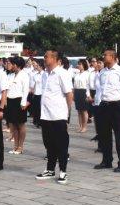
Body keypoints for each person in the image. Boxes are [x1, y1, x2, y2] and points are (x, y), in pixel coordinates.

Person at [35, 50, 73, 183]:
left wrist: (67, 114)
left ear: (55, 59)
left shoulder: (62, 73)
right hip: (46, 115)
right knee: (48, 143)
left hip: (58, 115)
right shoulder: (45, 74)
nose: (44, 59)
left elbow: (69, 94)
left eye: (46, 57)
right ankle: (50, 169)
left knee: (61, 144)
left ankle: (63, 171)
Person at [95, 49, 120, 173]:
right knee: (104, 135)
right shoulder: (102, 72)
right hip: (104, 105)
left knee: (119, 135)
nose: (103, 56)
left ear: (112, 57)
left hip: (116, 105)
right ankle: (107, 160)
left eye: (105, 55)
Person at [5, 56, 30, 155]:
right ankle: (15, 145)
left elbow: (25, 90)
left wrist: (24, 102)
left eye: (12, 64)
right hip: (10, 100)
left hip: (19, 101)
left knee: (20, 124)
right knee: (13, 124)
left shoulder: (24, 75)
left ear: (17, 65)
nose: (11, 65)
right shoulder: (10, 75)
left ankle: (20, 146)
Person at [72, 59, 91, 133]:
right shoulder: (77, 74)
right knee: (79, 111)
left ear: (84, 65)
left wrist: (88, 95)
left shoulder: (87, 74)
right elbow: (74, 85)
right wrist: (73, 94)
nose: (78, 65)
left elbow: (88, 85)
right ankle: (80, 126)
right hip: (77, 92)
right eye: (78, 64)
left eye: (80, 64)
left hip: (84, 92)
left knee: (84, 110)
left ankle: (84, 127)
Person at [29, 59, 44, 128]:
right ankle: (36, 122)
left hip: (41, 94)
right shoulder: (35, 75)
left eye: (38, 66)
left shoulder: (44, 74)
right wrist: (32, 92)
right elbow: (34, 85)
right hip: (36, 94)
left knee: (41, 109)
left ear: (41, 66)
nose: (36, 67)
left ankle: (41, 123)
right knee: (36, 108)